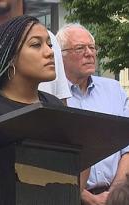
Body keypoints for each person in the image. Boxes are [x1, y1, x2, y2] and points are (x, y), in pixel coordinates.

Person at [56, 23, 129, 205]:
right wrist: (87, 197)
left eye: (92, 47)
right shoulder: (51, 97)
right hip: (70, 196)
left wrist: (115, 193)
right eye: (80, 48)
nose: (89, 53)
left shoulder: (113, 90)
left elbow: (127, 147)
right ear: (60, 55)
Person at [0, 15, 64, 126]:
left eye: (50, 45)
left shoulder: (54, 104)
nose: (50, 52)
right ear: (10, 58)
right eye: (36, 44)